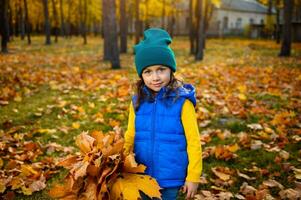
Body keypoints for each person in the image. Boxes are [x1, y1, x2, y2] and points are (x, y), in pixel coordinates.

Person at [124, 28, 202, 200]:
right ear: (141, 75)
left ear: (171, 70)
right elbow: (130, 135)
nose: (155, 77)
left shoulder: (182, 102)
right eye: (148, 71)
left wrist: (193, 176)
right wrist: (120, 161)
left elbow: (193, 141)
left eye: (161, 69)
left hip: (170, 177)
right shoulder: (137, 101)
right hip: (141, 174)